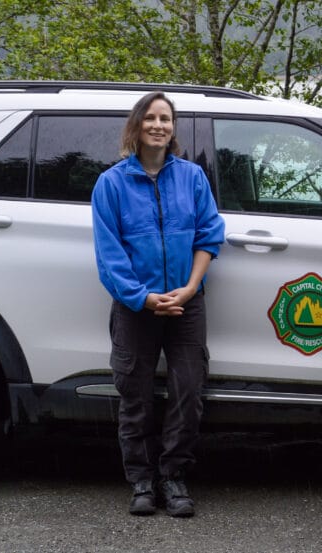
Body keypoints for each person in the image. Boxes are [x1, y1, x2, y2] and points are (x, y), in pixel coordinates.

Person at [91, 91, 225, 517]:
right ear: (136, 126)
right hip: (135, 307)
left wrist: (188, 288)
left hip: (187, 303)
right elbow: (109, 257)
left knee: (189, 391)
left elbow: (209, 235)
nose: (158, 125)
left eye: (165, 118)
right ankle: (142, 481)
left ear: (173, 128)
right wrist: (143, 298)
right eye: (150, 118)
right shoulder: (111, 184)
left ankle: (173, 475)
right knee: (135, 394)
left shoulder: (191, 178)